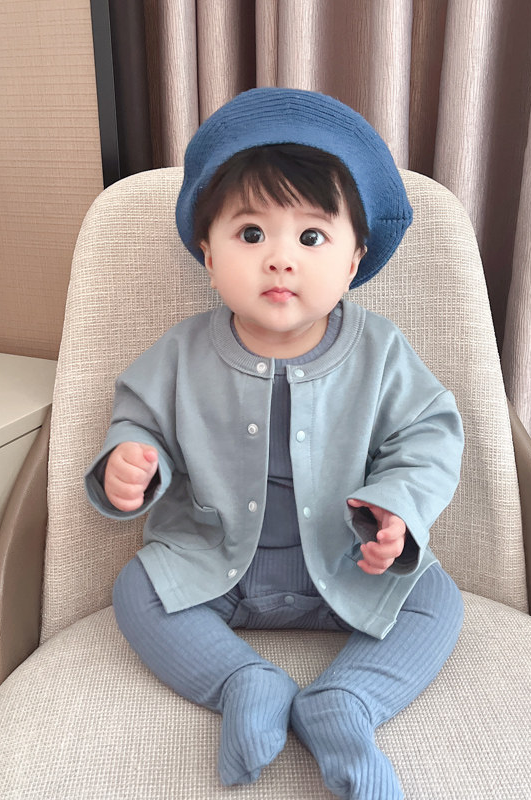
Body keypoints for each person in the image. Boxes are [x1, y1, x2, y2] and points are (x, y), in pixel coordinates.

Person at [85, 87, 465, 800]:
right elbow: (139, 421)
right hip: (215, 565)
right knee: (136, 588)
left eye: (311, 238)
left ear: (354, 260)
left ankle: (346, 701)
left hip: (346, 564)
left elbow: (428, 435)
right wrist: (130, 462)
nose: (280, 260)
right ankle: (242, 681)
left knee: (436, 599)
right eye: (252, 234)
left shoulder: (382, 352)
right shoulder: (179, 355)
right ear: (207, 252)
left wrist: (397, 507)